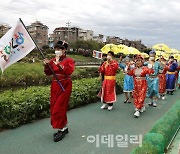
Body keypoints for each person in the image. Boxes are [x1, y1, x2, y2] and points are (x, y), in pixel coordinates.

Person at [44, 41, 75, 142]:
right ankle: (64, 127)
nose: (57, 51)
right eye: (56, 49)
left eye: (59, 49)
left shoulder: (69, 60)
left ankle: (61, 129)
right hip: (55, 85)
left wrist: (59, 65)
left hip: (64, 85)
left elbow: (69, 71)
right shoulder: (52, 60)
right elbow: (48, 73)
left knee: (59, 107)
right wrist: (47, 65)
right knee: (54, 105)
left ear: (64, 50)